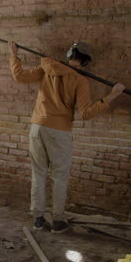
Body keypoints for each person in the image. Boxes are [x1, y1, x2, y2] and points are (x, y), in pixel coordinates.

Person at [9, 41, 126, 233]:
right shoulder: (81, 80)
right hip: (60, 132)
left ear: (70, 53)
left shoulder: (47, 67)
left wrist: (13, 54)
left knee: (38, 174)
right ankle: (58, 221)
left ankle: (38, 219)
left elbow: (19, 76)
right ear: (86, 62)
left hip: (37, 127)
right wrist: (112, 96)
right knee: (59, 178)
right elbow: (86, 113)